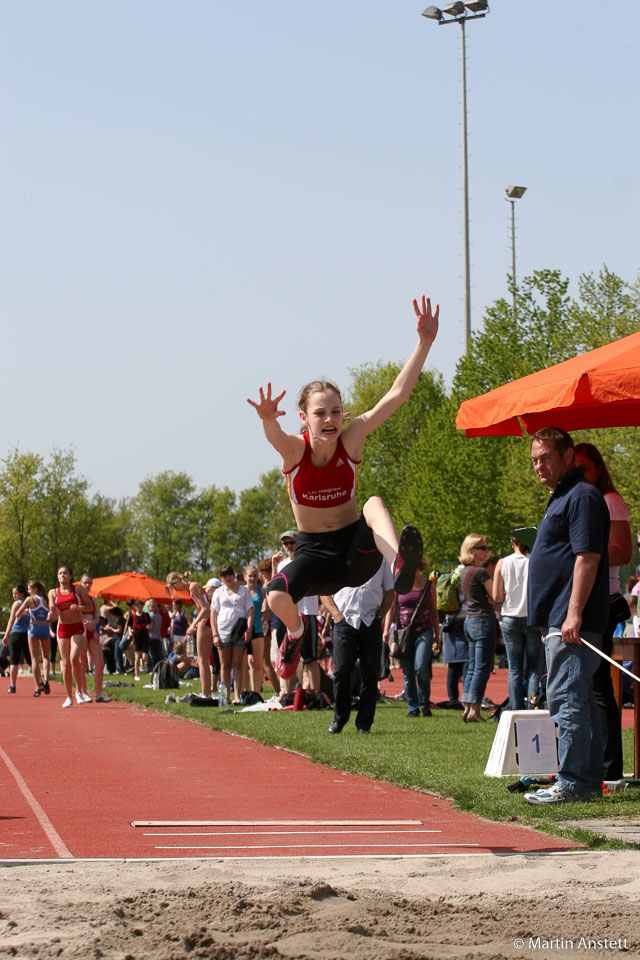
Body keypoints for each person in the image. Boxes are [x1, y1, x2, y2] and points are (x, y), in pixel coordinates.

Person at [247, 295, 439, 660]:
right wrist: (268, 419)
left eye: (336, 411)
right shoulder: (295, 451)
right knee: (274, 596)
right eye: (321, 413)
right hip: (315, 556)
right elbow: (274, 436)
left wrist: (424, 343)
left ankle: (398, 561)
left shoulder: (351, 439)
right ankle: (297, 633)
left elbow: (396, 397)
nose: (331, 419)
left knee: (373, 502)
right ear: (303, 417)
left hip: (357, 553)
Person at [524, 427, 610, 805]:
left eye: (545, 458)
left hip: (573, 619)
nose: (539, 466)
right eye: (534, 461)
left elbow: (587, 557)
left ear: (568, 456)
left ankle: (574, 782)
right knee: (579, 699)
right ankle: (587, 780)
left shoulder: (583, 496)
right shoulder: (563, 496)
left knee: (566, 697)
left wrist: (572, 615)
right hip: (559, 619)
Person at [574, 442, 633, 780]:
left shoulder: (610, 501)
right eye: (575, 468)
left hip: (604, 600)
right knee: (586, 685)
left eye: (584, 467)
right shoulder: (582, 500)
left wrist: (583, 550)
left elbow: (623, 553)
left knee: (598, 687)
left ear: (597, 468)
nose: (580, 474)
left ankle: (609, 767)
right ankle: (597, 762)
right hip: (588, 599)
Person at [321, 559, 394, 734]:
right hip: (344, 621)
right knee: (342, 670)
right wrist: (337, 615)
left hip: (371, 621)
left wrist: (380, 616)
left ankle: (364, 723)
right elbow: (324, 592)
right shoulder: (339, 558)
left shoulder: (381, 560)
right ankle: (339, 718)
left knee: (370, 674)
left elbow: (391, 591)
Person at [493, 532, 544, 711]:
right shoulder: (535, 562)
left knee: (514, 669)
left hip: (510, 617)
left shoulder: (502, 563)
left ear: (512, 542)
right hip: (531, 617)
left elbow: (496, 596)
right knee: (534, 668)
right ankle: (533, 705)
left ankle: (515, 708)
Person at [386, 556, 440, 719]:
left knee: (421, 667)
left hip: (424, 630)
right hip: (404, 633)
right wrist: (386, 630)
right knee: (408, 672)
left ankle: (424, 704)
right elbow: (392, 607)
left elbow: (434, 611)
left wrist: (437, 634)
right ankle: (413, 707)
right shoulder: (399, 584)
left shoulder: (429, 584)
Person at [272, 530, 320, 691]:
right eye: (286, 544)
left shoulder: (309, 560)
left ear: (298, 542)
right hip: (288, 616)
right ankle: (287, 693)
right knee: (288, 657)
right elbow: (274, 588)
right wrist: (274, 566)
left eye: (292, 542)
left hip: (307, 611)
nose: (289, 546)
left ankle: (316, 694)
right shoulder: (282, 565)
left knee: (310, 658)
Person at [459, 536, 498, 723]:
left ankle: (467, 707)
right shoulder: (480, 573)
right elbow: (496, 596)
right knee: (482, 667)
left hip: (470, 620)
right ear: (472, 550)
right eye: (482, 548)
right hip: (483, 620)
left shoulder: (464, 571)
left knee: (472, 666)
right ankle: (474, 710)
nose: (486, 551)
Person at [48, 565, 94, 708]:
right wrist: (51, 614)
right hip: (62, 628)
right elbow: (52, 612)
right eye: (60, 573)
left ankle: (79, 692)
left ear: (70, 575)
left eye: (65, 573)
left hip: (77, 627)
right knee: (65, 663)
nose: (63, 576)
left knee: (75, 659)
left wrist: (79, 608)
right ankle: (68, 696)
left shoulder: (78, 589)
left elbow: (89, 606)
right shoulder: (52, 592)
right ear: (57, 576)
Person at [210, 564, 254, 704]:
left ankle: (237, 695)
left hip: (239, 630)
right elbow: (213, 614)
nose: (228, 578)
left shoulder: (244, 591)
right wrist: (215, 634)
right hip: (223, 630)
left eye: (230, 574)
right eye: (224, 575)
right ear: (221, 577)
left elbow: (250, 610)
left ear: (234, 575)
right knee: (225, 664)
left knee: (237, 664)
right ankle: (225, 696)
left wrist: (249, 629)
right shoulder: (218, 592)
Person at [166, 574, 213, 698]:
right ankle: (206, 692)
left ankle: (206, 693)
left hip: (206, 621)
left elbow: (205, 608)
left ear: (177, 582)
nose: (176, 590)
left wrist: (193, 624)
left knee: (202, 660)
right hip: (206, 620)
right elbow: (201, 608)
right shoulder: (193, 586)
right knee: (204, 660)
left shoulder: (192, 587)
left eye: (174, 587)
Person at [11, 580, 51, 697]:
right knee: (46, 657)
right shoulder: (46, 599)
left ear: (35, 589)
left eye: (29, 589)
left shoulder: (30, 599)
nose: (28, 591)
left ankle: (37, 687)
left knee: (34, 659)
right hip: (45, 627)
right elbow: (52, 613)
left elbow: (17, 614)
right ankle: (46, 680)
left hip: (34, 627)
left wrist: (27, 611)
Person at [79, 573, 111, 702]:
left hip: (92, 632)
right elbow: (79, 617)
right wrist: (90, 628)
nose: (87, 585)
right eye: (85, 583)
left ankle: (98, 693)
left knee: (100, 662)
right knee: (82, 663)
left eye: (89, 583)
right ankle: (83, 692)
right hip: (80, 633)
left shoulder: (93, 600)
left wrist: (93, 626)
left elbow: (97, 617)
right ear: (80, 584)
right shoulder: (77, 599)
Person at [4, 584, 31, 694]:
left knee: (14, 661)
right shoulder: (30, 603)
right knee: (31, 660)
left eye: (16, 593)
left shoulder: (17, 604)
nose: (14, 596)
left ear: (22, 593)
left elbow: (11, 620)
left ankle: (12, 685)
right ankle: (39, 684)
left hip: (17, 634)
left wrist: (6, 635)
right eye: (13, 594)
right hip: (28, 634)